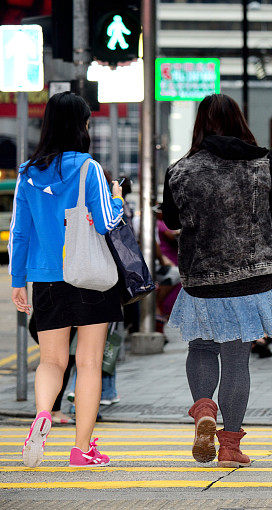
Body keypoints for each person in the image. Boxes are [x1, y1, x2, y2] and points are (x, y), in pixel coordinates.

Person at [161, 93, 272, 468]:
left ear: (200, 124)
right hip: (251, 280)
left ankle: (204, 408)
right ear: (239, 121)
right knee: (237, 361)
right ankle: (230, 448)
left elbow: (171, 222)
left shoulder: (181, 171)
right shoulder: (262, 164)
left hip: (202, 279)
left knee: (201, 349)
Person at [11, 92, 124, 468]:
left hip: (46, 278)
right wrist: (118, 199)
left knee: (52, 360)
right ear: (82, 126)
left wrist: (17, 280)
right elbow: (108, 221)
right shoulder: (88, 168)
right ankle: (81, 450)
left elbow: (20, 233)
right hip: (89, 274)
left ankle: (43, 414)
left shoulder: (27, 172)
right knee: (89, 363)